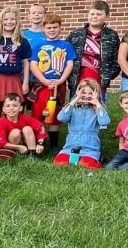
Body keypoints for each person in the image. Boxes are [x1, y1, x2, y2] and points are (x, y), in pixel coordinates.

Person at [29, 13, 76, 152]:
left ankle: (54, 144)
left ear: (60, 27)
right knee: (39, 113)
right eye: (49, 27)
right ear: (43, 28)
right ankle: (38, 142)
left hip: (58, 86)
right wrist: (44, 81)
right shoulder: (39, 45)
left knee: (55, 114)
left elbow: (69, 64)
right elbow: (33, 65)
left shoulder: (66, 45)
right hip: (42, 86)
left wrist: (61, 80)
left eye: (55, 27)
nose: (52, 30)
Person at [53, 79, 111, 170]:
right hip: (70, 147)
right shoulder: (72, 108)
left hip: (89, 149)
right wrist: (74, 100)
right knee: (60, 162)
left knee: (86, 165)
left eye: (90, 93)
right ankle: (74, 159)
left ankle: (98, 159)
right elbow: (61, 117)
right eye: (83, 93)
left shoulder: (98, 109)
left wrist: (97, 103)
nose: (86, 96)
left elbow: (104, 122)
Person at [66, 1, 121, 95]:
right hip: (77, 82)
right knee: (75, 107)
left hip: (99, 83)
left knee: (98, 108)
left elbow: (117, 60)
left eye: (99, 14)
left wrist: (107, 76)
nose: (95, 16)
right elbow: (66, 56)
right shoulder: (75, 34)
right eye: (92, 14)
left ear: (107, 17)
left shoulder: (112, 35)